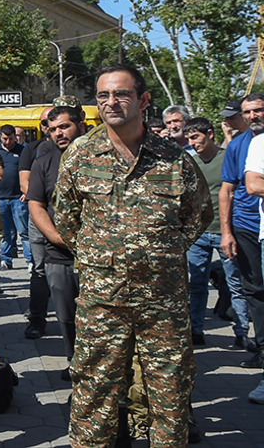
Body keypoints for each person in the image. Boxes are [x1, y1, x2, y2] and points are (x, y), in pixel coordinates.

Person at [55, 64, 212, 447]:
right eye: (104, 95)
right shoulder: (80, 155)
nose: (112, 102)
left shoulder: (174, 160)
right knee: (94, 391)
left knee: (170, 393)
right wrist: (102, 257)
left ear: (142, 100)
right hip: (102, 302)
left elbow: (198, 215)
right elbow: (66, 217)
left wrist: (159, 252)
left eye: (121, 94)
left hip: (163, 301)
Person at [26, 105, 86, 378]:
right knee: (67, 318)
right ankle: (75, 363)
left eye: (64, 126)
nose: (58, 133)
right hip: (59, 255)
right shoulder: (45, 162)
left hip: (98, 257)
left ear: (80, 125)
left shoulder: (99, 157)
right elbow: (36, 204)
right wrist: (56, 237)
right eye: (52, 129)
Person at [184, 117, 242, 347]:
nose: (192, 142)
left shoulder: (228, 158)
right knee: (196, 284)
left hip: (225, 231)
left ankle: (242, 332)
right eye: (188, 138)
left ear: (209, 134)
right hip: (198, 234)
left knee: (235, 284)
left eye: (195, 137)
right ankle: (196, 331)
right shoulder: (191, 162)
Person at [220, 91, 264, 367]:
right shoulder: (239, 145)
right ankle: (261, 349)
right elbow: (227, 191)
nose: (252, 116)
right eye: (247, 112)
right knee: (254, 290)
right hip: (246, 225)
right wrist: (227, 233)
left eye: (257, 110)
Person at [19, 106, 55, 341]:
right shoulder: (32, 150)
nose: (50, 128)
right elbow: (26, 187)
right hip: (42, 217)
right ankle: (37, 319)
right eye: (45, 124)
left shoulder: (85, 150)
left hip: (78, 223)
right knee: (39, 271)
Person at [0, 125, 30, 274]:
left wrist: (27, 191)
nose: (8, 141)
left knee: (24, 231)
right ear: (0, 137)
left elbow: (28, 172)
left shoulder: (23, 151)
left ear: (15, 136)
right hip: (0, 198)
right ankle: (5, 260)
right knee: (4, 232)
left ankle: (30, 260)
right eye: (5, 138)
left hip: (18, 198)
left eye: (11, 138)